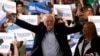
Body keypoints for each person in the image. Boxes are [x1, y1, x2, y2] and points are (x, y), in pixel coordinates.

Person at [7, 13, 83, 56]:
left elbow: (75, 29)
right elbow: (27, 25)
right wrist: (14, 19)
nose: (49, 23)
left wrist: (81, 20)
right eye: (47, 21)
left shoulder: (61, 28)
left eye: (51, 21)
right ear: (44, 22)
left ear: (54, 22)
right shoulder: (40, 29)